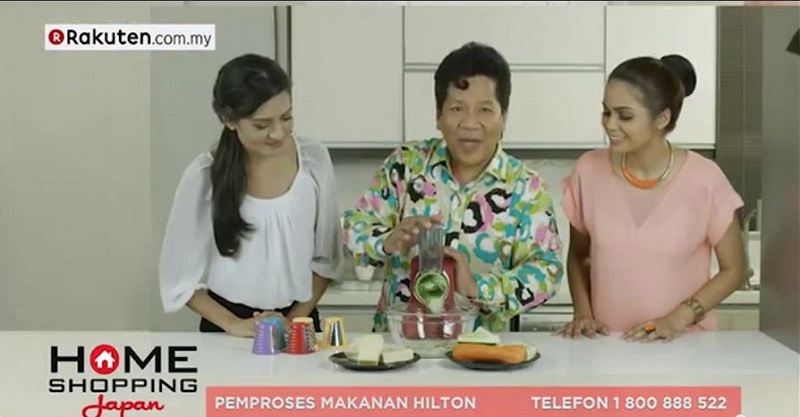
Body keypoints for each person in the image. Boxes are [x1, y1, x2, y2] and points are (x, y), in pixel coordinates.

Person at [343, 42, 565, 333]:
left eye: (485, 110)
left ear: (504, 117)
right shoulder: (406, 165)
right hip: (398, 347)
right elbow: (353, 229)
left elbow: (547, 271)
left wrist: (478, 287)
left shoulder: (527, 188)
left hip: (482, 349)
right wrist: (387, 241)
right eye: (457, 108)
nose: (470, 123)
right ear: (438, 115)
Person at [557, 54, 746, 342]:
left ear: (662, 118)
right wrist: (582, 313)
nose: (610, 125)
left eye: (625, 116)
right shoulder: (588, 171)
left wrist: (676, 319)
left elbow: (734, 270)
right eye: (606, 112)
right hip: (607, 348)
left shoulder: (706, 180)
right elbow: (579, 256)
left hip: (685, 347)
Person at [158, 54, 344, 337]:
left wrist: (293, 321)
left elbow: (327, 259)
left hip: (300, 321)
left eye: (286, 117)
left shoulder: (313, 160)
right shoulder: (206, 174)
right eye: (262, 125)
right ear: (229, 120)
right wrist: (233, 324)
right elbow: (178, 278)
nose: (278, 133)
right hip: (227, 328)